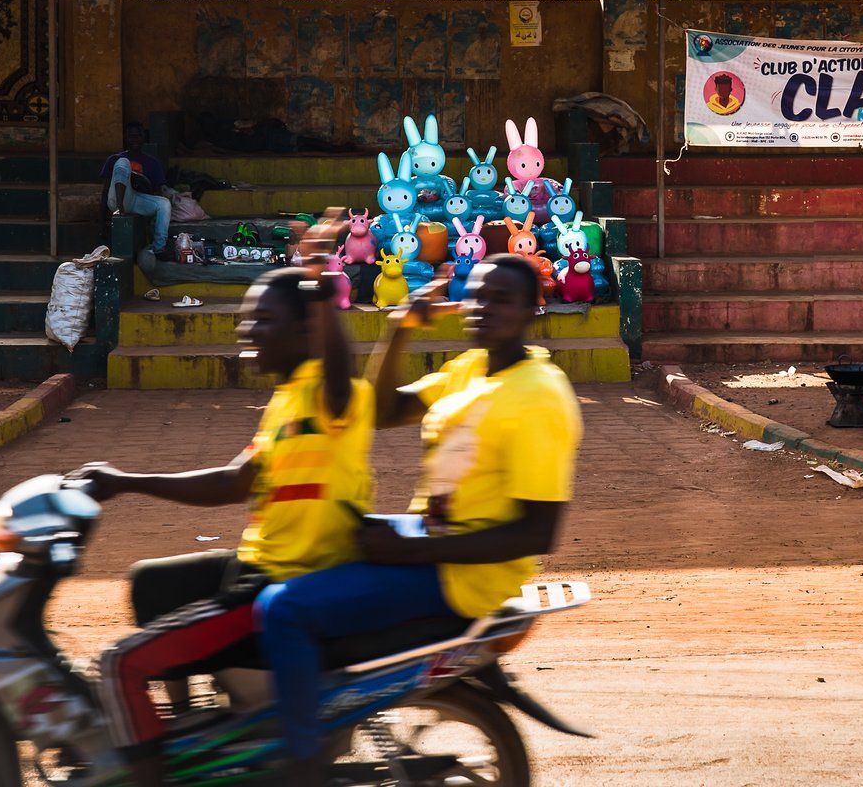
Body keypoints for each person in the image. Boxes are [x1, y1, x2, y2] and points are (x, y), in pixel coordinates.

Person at [255, 254, 582, 784]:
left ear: (532, 310)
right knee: (308, 549)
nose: (483, 307)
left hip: (463, 576)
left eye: (501, 299)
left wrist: (412, 551)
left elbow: (538, 532)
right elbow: (381, 411)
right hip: (428, 545)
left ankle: (300, 761)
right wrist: (398, 329)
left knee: (282, 609)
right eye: (476, 295)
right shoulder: (471, 368)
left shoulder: (540, 396)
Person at [72, 215, 373, 787]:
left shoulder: (333, 395)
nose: (247, 331)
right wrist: (126, 481)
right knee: (149, 584)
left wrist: (314, 277)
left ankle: (160, 775)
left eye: (262, 320)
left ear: (305, 330)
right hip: (256, 563)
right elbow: (234, 482)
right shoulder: (288, 400)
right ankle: (190, 730)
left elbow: (341, 366)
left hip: (282, 581)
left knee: (120, 665)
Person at [103, 122, 173, 260]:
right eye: (131, 136)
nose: (134, 139)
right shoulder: (114, 159)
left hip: (136, 199)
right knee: (123, 162)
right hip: (116, 201)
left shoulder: (152, 162)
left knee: (164, 203)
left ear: (144, 138)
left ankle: (159, 248)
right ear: (125, 138)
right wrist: (102, 223)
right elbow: (105, 190)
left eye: (138, 136)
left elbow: (156, 191)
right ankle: (119, 208)